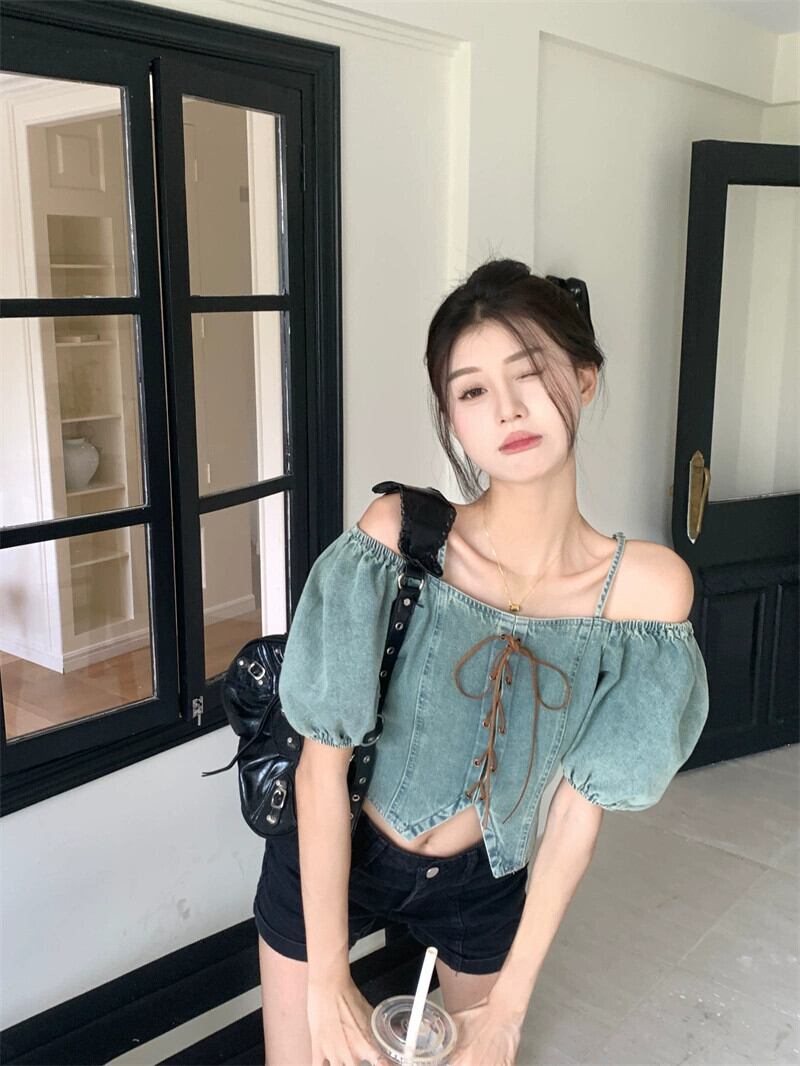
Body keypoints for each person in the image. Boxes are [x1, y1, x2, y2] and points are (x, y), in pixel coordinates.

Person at [254, 258, 710, 1066]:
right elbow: (321, 767)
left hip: (484, 881)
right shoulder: (398, 538)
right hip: (337, 848)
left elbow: (575, 813)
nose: (507, 409)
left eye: (530, 373)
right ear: (452, 419)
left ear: (585, 378)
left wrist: (509, 1013)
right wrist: (327, 980)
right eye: (471, 391)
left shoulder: (645, 597)